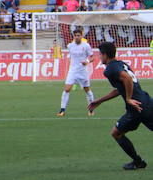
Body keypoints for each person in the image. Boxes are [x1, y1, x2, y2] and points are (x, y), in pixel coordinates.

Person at [88, 42, 152, 170]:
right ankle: (138, 162)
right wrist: (99, 101)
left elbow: (127, 79)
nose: (100, 57)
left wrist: (128, 99)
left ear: (105, 55)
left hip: (135, 108)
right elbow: (119, 89)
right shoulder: (122, 64)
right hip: (146, 101)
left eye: (100, 54)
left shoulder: (110, 69)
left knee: (116, 133)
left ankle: (138, 162)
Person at [58, 28, 95, 117]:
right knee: (67, 89)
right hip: (73, 71)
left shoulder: (86, 45)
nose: (77, 37)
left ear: (81, 36)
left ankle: (91, 109)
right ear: (73, 36)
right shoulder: (70, 46)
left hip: (82, 71)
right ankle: (62, 110)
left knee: (87, 90)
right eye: (75, 36)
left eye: (79, 35)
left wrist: (87, 61)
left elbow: (92, 57)